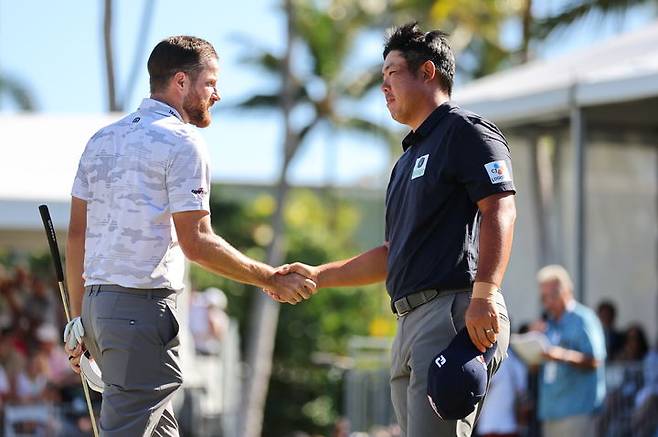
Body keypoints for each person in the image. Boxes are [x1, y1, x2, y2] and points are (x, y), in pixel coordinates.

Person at [64, 35, 316, 436]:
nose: (217, 94)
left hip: (99, 309)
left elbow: (77, 233)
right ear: (181, 82)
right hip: (139, 311)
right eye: (211, 83)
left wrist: (77, 317)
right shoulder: (183, 142)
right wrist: (267, 277)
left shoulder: (101, 140)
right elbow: (196, 241)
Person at [278, 22, 516, 437]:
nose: (383, 87)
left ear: (427, 72)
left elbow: (501, 207)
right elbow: (393, 253)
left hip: (453, 311)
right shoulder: (405, 160)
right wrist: (318, 275)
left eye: (392, 74)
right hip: (409, 322)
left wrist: (486, 294)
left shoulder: (466, 131)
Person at [533, 265, 606, 437]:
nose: (548, 302)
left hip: (578, 411)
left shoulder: (584, 318)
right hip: (550, 411)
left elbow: (595, 360)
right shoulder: (547, 324)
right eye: (544, 298)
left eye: (553, 296)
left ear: (567, 291)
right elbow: (538, 368)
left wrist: (562, 355)